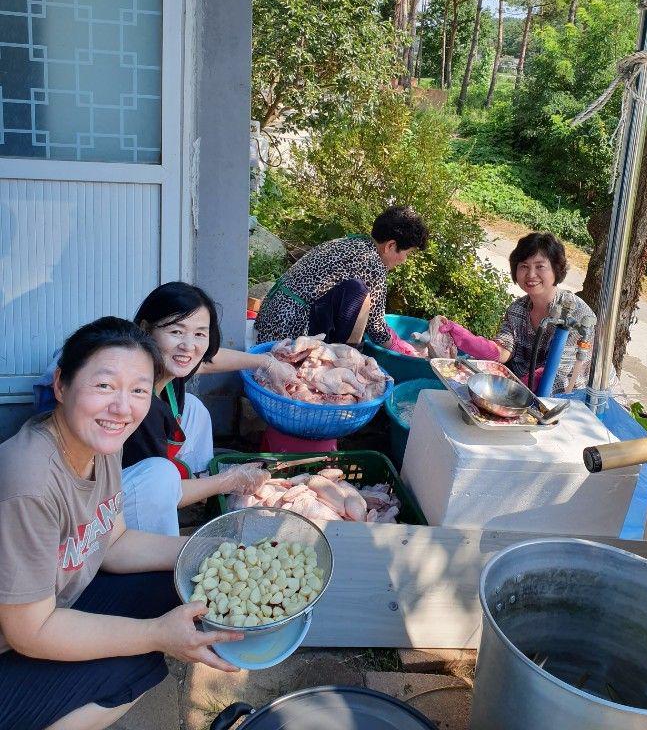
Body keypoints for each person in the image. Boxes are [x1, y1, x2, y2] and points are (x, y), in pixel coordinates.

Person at [0, 318, 244, 730]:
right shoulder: (29, 483)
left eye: (137, 390)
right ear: (61, 385)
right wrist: (155, 634)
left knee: (181, 585)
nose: (122, 407)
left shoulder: (102, 445)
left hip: (51, 606)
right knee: (138, 664)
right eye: (104, 386)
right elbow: (30, 631)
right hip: (17, 638)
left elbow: (112, 542)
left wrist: (209, 549)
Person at [121, 281, 280, 535]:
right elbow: (157, 489)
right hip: (113, 506)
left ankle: (197, 488)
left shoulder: (165, 370)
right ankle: (160, 536)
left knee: (193, 407)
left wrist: (266, 362)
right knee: (162, 478)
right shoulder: (138, 403)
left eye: (199, 333)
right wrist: (229, 481)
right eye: (176, 331)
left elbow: (206, 360)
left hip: (151, 480)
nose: (188, 345)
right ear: (145, 329)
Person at [255, 206, 429, 355]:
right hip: (287, 333)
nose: (404, 260)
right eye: (407, 253)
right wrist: (405, 350)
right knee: (359, 294)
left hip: (270, 320)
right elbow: (376, 329)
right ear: (390, 246)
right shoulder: (372, 262)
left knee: (355, 293)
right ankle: (346, 360)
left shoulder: (354, 243)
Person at [440, 232, 595, 393]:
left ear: (557, 269)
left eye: (540, 266)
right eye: (524, 266)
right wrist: (463, 337)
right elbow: (501, 352)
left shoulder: (576, 315)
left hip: (573, 399)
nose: (531, 274)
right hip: (524, 391)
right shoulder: (518, 309)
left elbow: (556, 374)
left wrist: (508, 391)